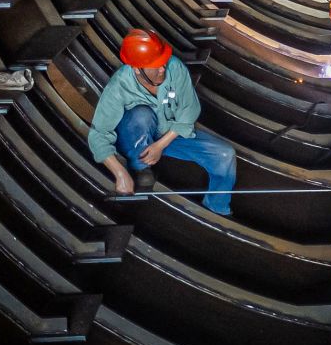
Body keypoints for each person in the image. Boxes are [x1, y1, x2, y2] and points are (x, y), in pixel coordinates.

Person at [87, 29, 237, 216]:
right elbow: (98, 134)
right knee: (141, 115)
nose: (162, 69)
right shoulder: (119, 85)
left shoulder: (175, 68)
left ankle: (217, 208)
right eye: (156, 66)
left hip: (171, 134)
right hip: (138, 139)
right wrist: (119, 173)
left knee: (225, 155)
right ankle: (141, 169)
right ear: (136, 68)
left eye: (163, 63)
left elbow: (189, 111)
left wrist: (161, 144)